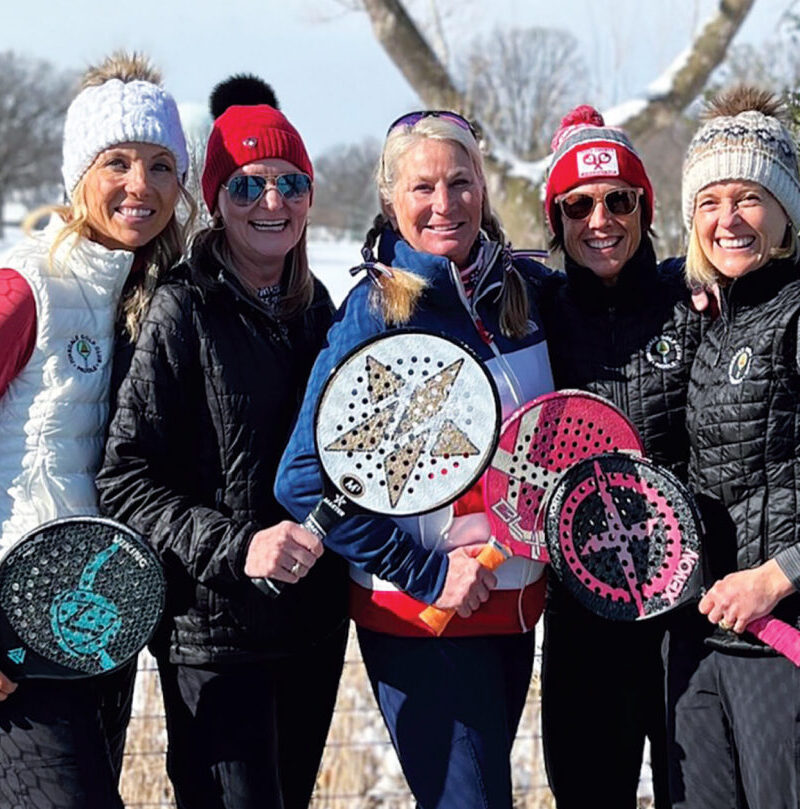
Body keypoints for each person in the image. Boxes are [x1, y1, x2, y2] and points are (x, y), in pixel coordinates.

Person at [275, 110, 555, 809]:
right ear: (390, 199)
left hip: (512, 613)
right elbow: (303, 478)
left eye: (460, 182)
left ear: (484, 188)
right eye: (422, 186)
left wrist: (694, 284)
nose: (443, 203)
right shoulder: (376, 313)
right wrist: (427, 574)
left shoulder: (519, 291)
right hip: (423, 623)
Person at [96, 88, 349, 809]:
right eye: (247, 183)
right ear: (215, 199)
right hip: (214, 634)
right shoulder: (183, 307)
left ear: (307, 197)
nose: (271, 201)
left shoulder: (318, 309)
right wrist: (240, 548)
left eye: (289, 182)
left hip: (311, 626)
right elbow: (126, 478)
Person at [0, 52, 190, 809]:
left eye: (160, 164)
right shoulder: (28, 283)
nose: (139, 185)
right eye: (116, 161)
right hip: (16, 633)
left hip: (98, 629)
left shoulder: (154, 297)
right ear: (78, 174)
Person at [538, 105, 706, 809]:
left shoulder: (691, 295)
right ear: (556, 219)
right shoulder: (535, 307)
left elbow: (772, 264)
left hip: (685, 611)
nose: (598, 219)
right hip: (581, 612)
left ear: (644, 206)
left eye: (617, 200)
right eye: (577, 204)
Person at [667, 85, 800, 809]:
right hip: (705, 641)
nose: (727, 220)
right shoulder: (713, 318)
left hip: (786, 644)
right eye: (709, 201)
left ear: (785, 210)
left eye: (748, 197)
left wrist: (776, 576)